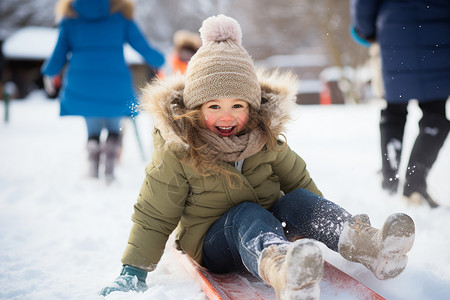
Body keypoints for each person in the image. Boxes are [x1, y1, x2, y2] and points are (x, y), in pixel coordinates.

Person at [99, 15, 415, 299]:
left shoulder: (264, 139)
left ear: (252, 108)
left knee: (297, 199)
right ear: (196, 109)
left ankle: (372, 248)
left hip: (270, 225)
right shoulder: (179, 151)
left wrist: (316, 222)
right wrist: (133, 272)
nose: (227, 116)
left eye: (237, 105)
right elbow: (154, 213)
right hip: (213, 243)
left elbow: (300, 183)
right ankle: (284, 272)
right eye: (213, 107)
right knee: (246, 213)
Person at [41, 0, 165, 182]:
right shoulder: (121, 16)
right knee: (114, 121)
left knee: (91, 117)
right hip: (114, 81)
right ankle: (109, 166)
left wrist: (49, 72)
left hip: (82, 81)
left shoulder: (70, 18)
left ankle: (93, 161)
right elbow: (142, 46)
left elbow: (58, 53)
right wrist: (161, 60)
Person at [350, 0, 450, 207]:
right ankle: (415, 185)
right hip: (438, 31)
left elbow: (364, 4)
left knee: (394, 110)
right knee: (436, 114)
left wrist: (365, 30)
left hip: (395, 30)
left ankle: (389, 180)